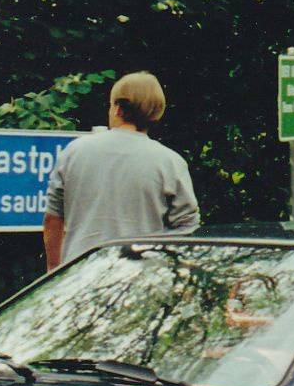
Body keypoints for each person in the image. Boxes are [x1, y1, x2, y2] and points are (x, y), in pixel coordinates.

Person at [43, 71, 200, 270]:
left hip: (80, 275)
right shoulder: (170, 162)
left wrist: (54, 271)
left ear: (117, 108)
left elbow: (53, 218)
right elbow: (187, 227)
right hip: (139, 277)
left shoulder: (74, 151)